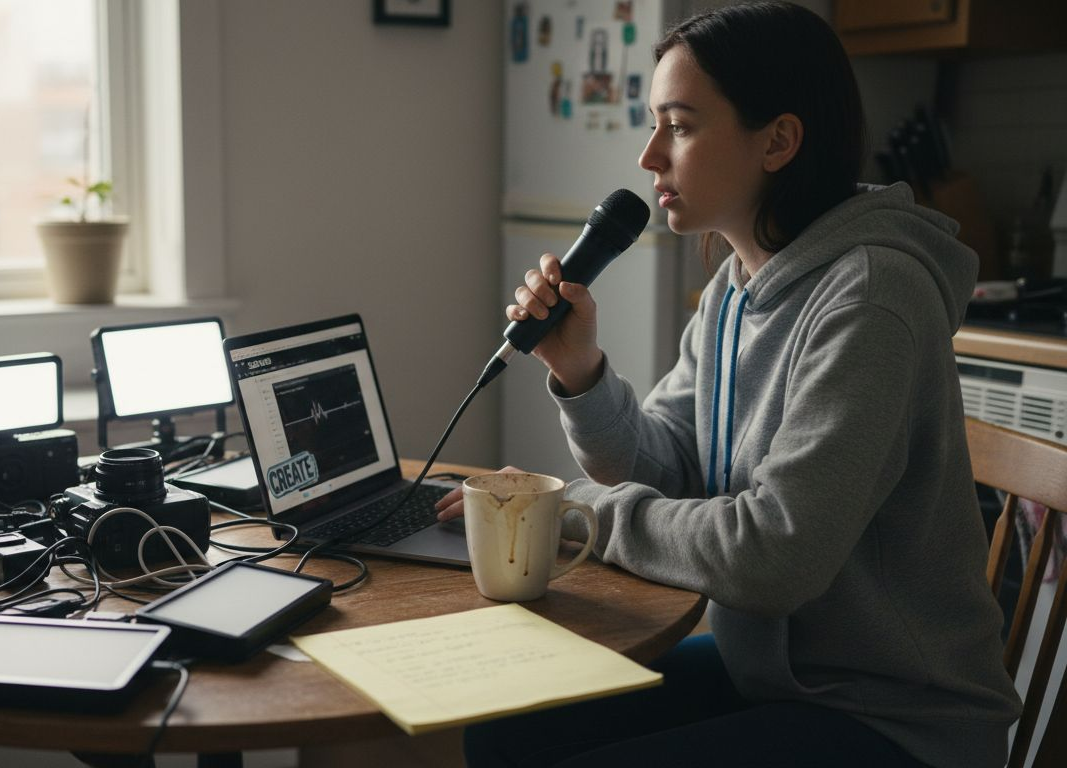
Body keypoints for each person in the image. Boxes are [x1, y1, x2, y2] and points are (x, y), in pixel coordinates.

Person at [433, 3, 1021, 766]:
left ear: (777, 140)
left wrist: (572, 511)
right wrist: (579, 370)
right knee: (506, 722)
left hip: (894, 714)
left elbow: (775, 555)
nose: (649, 157)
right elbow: (664, 462)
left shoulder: (872, 299)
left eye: (678, 126)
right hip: (779, 676)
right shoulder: (735, 288)